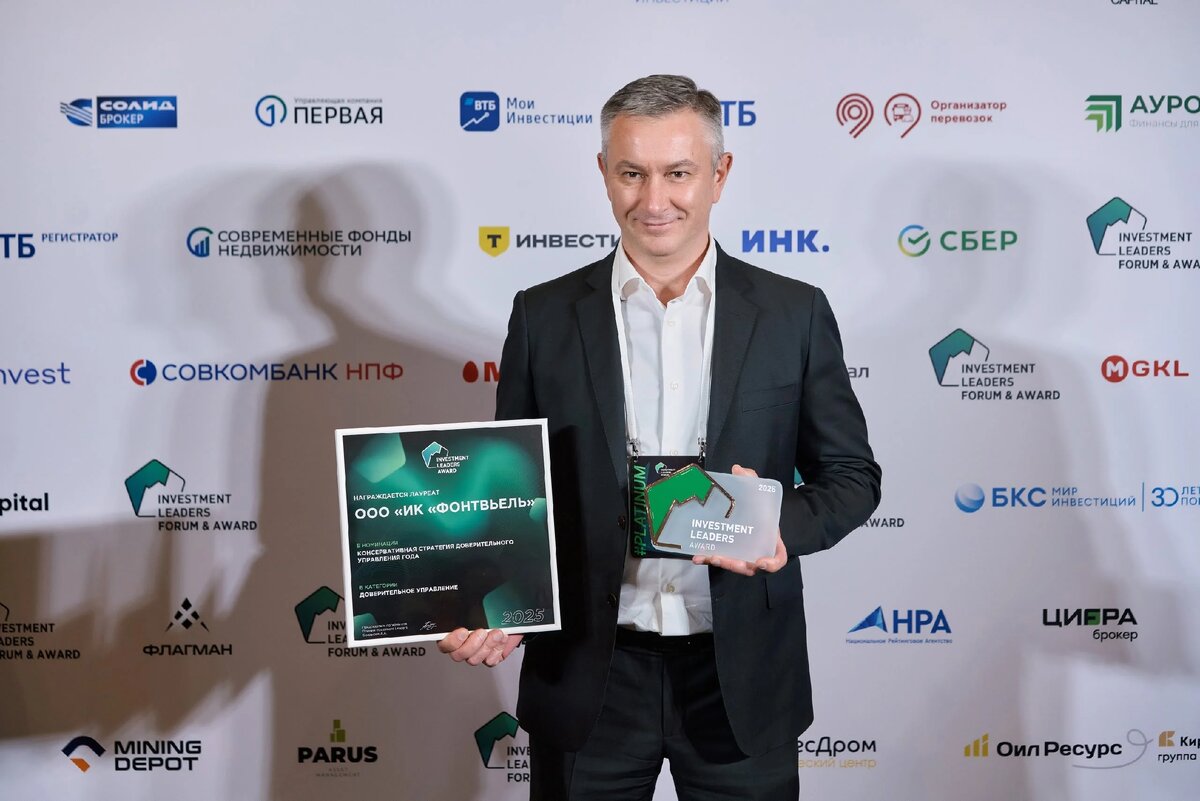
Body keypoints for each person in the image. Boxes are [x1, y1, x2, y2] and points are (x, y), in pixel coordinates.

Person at [440, 74, 881, 800]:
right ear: (603, 173)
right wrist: (490, 599)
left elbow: (852, 476)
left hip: (740, 673)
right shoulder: (542, 315)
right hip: (589, 674)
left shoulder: (793, 313)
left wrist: (776, 528)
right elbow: (513, 493)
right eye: (631, 173)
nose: (654, 200)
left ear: (720, 174)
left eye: (678, 173)